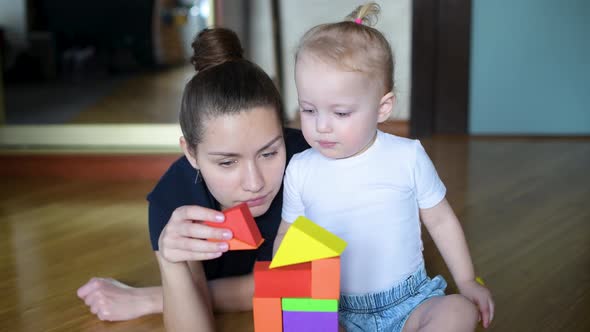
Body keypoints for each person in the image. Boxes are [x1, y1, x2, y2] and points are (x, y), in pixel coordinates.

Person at [272, 3, 495, 332]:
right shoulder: (301, 169)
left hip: (410, 301)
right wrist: (289, 287)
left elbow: (441, 220)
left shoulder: (407, 157)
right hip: (335, 308)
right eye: (308, 109)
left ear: (383, 107)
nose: (321, 126)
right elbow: (287, 234)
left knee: (459, 311)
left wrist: (466, 280)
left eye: (341, 113)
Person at [77, 27, 309, 330]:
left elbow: (295, 288)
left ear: (284, 132)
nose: (254, 183)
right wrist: (170, 265)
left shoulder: (307, 165)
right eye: (227, 162)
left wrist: (151, 298)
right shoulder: (173, 199)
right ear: (191, 153)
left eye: (268, 153)